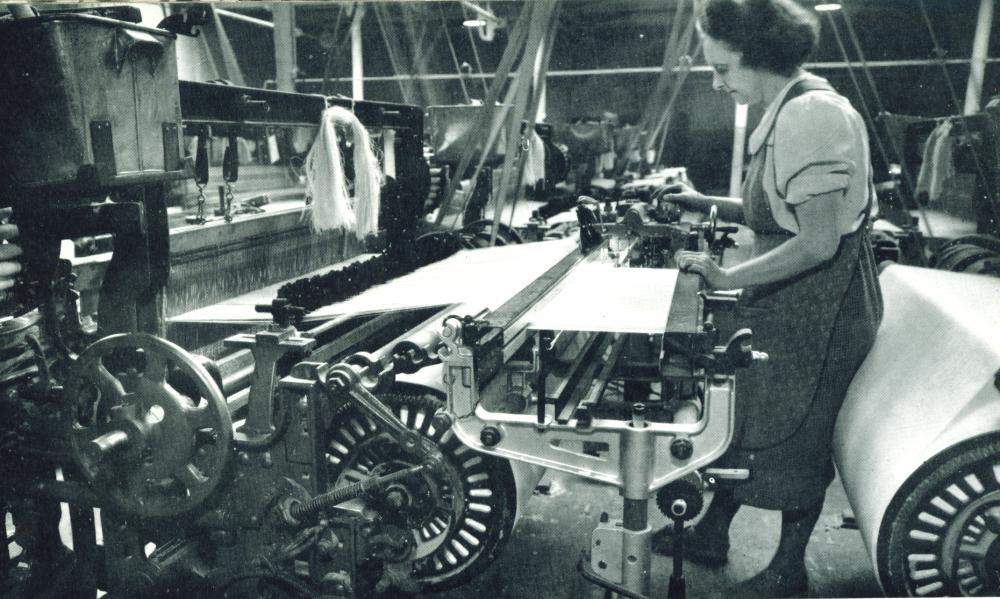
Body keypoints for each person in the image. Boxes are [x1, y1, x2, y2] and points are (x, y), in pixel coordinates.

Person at [651, 1, 884, 597]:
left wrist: (727, 280)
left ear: (761, 60)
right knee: (752, 417)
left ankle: (788, 571)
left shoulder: (812, 115)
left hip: (821, 306)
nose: (717, 80)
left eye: (723, 67)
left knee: (798, 432)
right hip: (791, 296)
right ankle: (711, 532)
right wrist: (699, 200)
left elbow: (817, 241)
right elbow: (774, 210)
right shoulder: (786, 111)